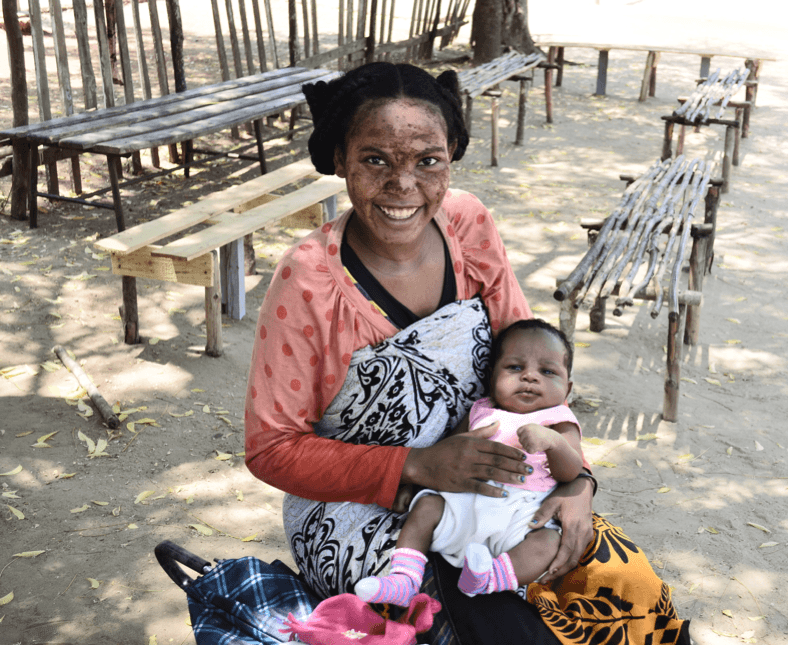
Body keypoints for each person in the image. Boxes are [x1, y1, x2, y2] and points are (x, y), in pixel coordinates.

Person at [244, 61, 691, 645]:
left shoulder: (469, 224)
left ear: (451, 154)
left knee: (631, 589)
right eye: (375, 159)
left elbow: (534, 366)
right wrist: (418, 465)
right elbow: (271, 449)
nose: (403, 186)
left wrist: (578, 480)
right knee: (502, 631)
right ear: (339, 159)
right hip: (356, 507)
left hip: (497, 483)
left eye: (427, 161)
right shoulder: (307, 280)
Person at [354, 319, 583, 607]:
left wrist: (554, 443)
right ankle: (404, 579)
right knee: (426, 507)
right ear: (492, 377)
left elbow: (571, 471)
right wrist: (411, 484)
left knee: (548, 543)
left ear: (568, 388)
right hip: (462, 504)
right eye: (515, 368)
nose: (529, 377)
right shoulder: (481, 410)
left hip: (521, 516)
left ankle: (488, 578)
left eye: (547, 371)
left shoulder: (559, 421)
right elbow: (446, 452)